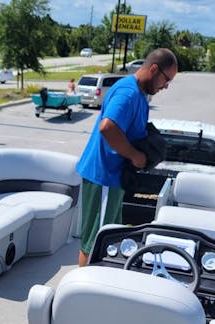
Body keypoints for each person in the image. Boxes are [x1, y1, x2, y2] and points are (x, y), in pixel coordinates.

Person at [75, 48, 178, 267]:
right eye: (166, 79)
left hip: (113, 179)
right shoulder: (128, 93)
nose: (165, 86)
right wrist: (137, 156)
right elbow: (108, 127)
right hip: (104, 177)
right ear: (153, 69)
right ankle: (80, 296)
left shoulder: (137, 92)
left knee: (108, 238)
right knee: (95, 243)